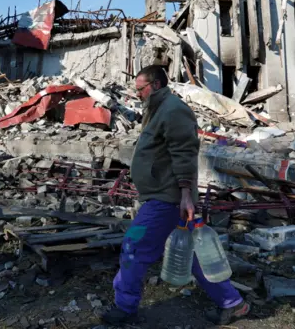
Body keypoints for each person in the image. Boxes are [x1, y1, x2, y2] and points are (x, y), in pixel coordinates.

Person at [101, 65, 250, 326]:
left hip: (167, 199)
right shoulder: (157, 109)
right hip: (165, 197)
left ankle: (125, 308)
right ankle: (233, 304)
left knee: (133, 247)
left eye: (141, 89)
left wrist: (185, 195)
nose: (137, 94)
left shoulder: (173, 110)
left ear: (155, 85)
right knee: (189, 254)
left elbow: (184, 154)